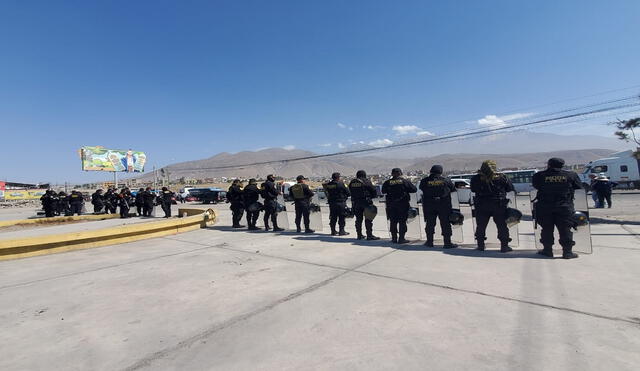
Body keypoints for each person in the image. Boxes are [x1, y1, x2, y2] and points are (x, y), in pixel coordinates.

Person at [532, 157, 583, 259]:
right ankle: (567, 252)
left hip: (545, 207)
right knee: (565, 229)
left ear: (548, 164)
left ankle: (547, 250)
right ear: (562, 165)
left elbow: (536, 186)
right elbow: (579, 187)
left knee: (546, 229)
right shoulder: (571, 175)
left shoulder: (539, 175)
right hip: (564, 207)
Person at [470, 160, 515, 252]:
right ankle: (504, 246)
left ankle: (480, 246)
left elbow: (473, 189)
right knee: (502, 226)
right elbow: (510, 189)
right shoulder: (503, 177)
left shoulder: (476, 178)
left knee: (481, 226)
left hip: (481, 205)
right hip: (499, 205)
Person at [419, 165, 457, 248]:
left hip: (429, 205)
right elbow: (453, 189)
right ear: (441, 171)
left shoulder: (424, 181)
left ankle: (429, 242)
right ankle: (447, 243)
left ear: (431, 171)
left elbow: (421, 188)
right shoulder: (446, 180)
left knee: (430, 223)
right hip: (444, 205)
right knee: (445, 223)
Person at [382, 168, 417, 244]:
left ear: (392, 174)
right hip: (403, 205)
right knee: (402, 222)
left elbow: (383, 191)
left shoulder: (387, 182)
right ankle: (401, 238)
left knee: (393, 222)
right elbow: (414, 189)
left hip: (391, 205)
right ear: (400, 173)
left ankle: (394, 238)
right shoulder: (404, 181)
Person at [348, 170, 379, 240]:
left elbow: (350, 191)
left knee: (358, 220)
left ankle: (359, 235)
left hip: (356, 203)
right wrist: (372, 196)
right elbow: (373, 190)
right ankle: (369, 235)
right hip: (366, 202)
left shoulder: (352, 182)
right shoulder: (366, 181)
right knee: (368, 219)